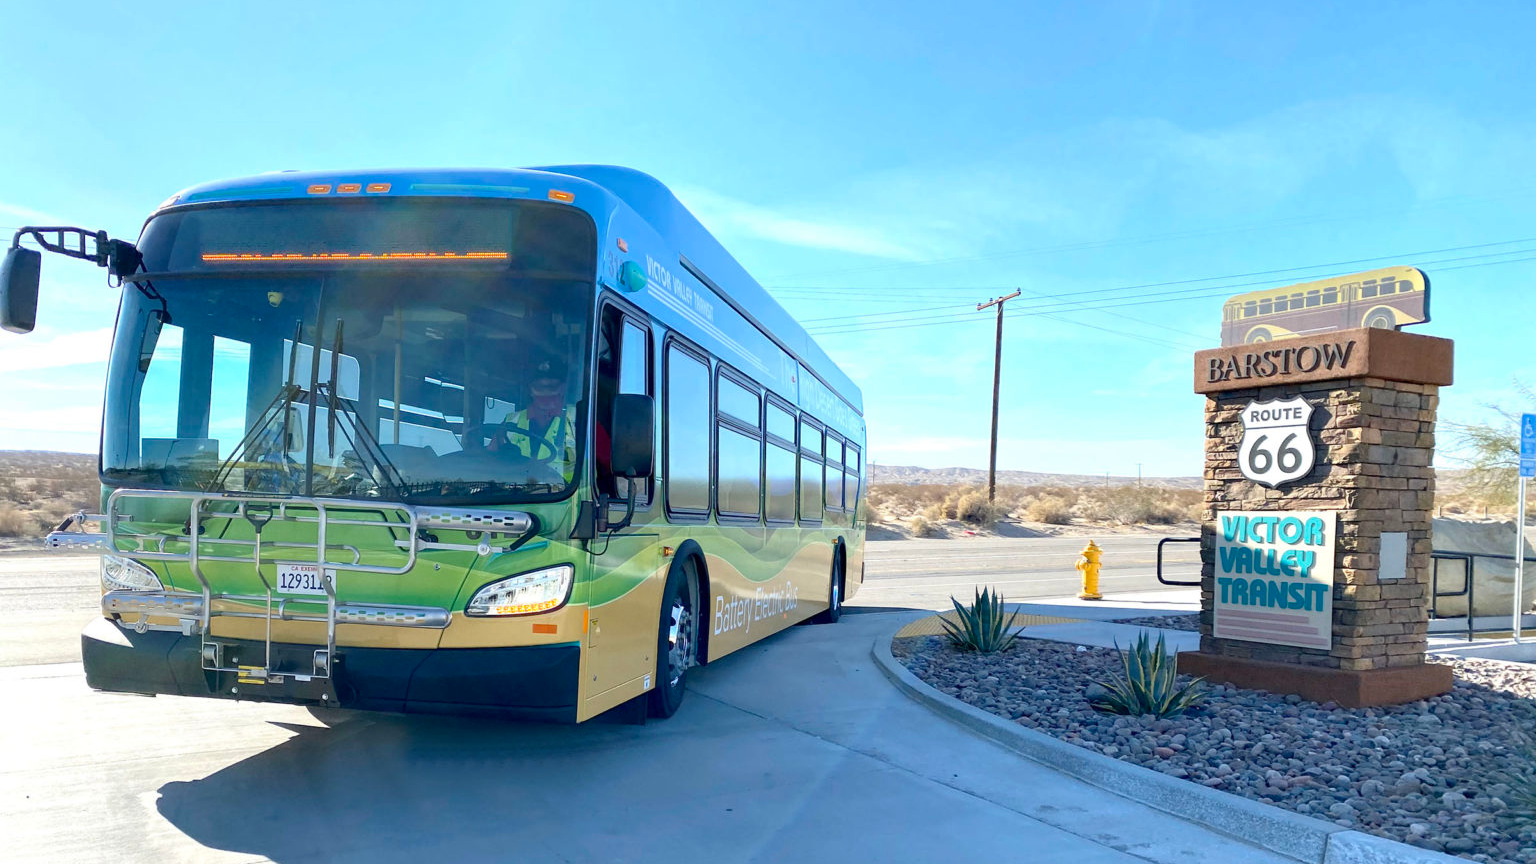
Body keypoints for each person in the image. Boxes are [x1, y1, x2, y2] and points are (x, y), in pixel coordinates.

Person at [500, 357, 577, 480]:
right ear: (531, 390)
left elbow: (607, 463)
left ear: (562, 389)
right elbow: (491, 459)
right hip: (518, 495)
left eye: (552, 387)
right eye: (539, 387)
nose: (545, 394)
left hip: (568, 496)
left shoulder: (581, 418)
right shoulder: (510, 422)